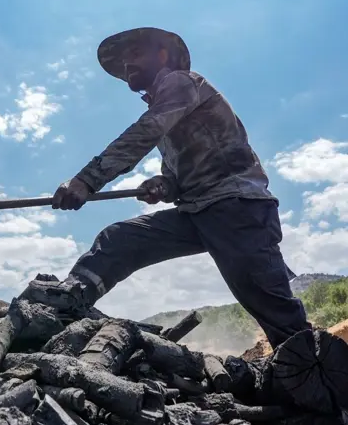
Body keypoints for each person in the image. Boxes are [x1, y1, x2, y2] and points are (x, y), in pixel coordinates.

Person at [23, 27, 312, 350]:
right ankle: (67, 303)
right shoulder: (165, 109)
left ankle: (312, 370)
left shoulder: (181, 83)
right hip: (197, 211)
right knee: (119, 239)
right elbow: (174, 178)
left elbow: (145, 132)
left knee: (269, 303)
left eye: (134, 54)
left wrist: (87, 179)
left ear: (162, 54)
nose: (127, 64)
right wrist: (162, 186)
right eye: (123, 60)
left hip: (237, 206)